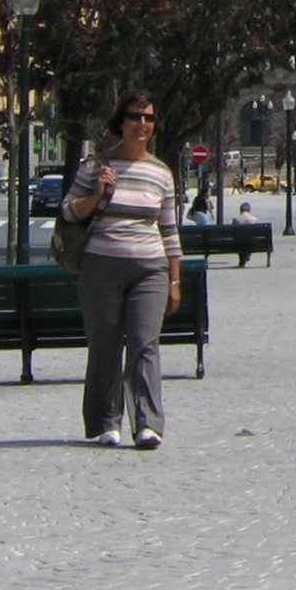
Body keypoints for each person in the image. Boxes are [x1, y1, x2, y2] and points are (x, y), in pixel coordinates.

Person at [65, 91, 182, 450]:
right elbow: (70, 211)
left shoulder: (161, 172)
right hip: (102, 264)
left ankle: (148, 423)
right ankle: (107, 420)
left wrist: (175, 279)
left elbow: (169, 229)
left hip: (150, 269)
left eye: (148, 118)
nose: (142, 124)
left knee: (145, 343)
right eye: (135, 117)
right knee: (105, 343)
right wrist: (100, 193)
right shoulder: (97, 166)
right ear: (122, 121)